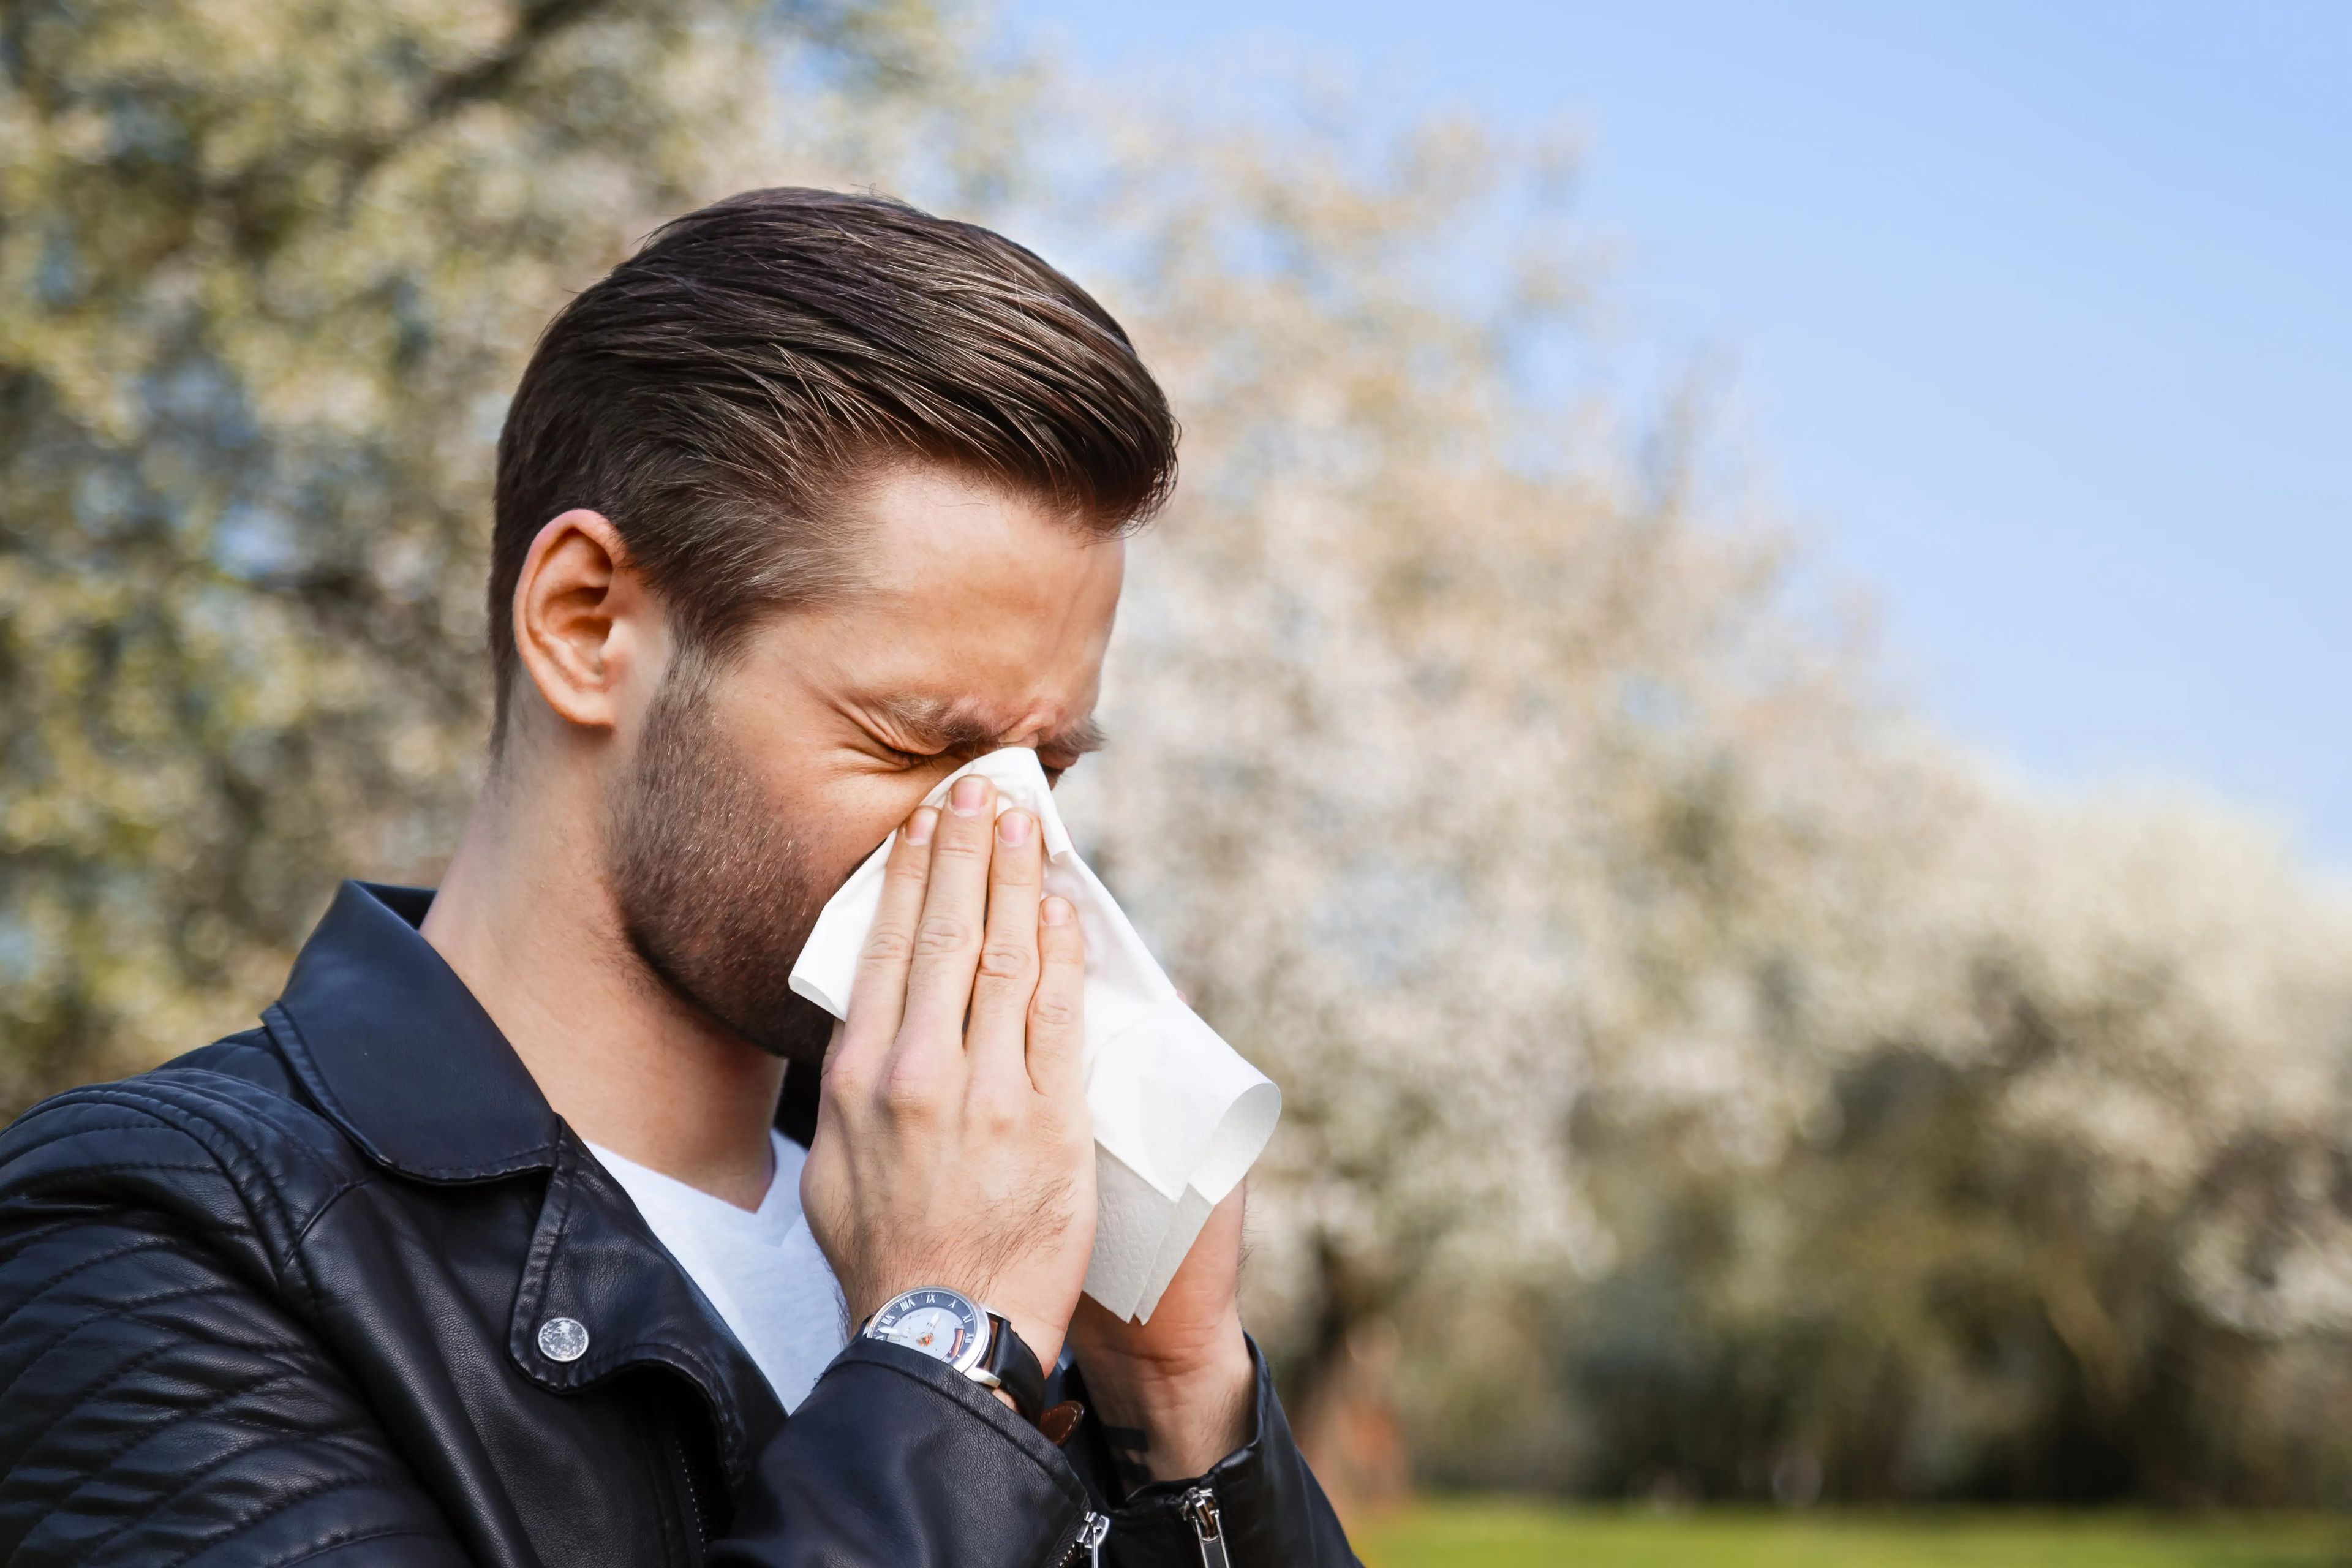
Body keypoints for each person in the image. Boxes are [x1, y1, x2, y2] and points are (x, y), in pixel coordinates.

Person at [0, 189, 1355, 1566]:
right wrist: (949, 1348)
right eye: (917, 741)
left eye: (1047, 768)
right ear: (586, 623)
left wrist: (1184, 1405)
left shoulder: (1018, 1271)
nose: (1011, 846)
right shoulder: (150, 1245)